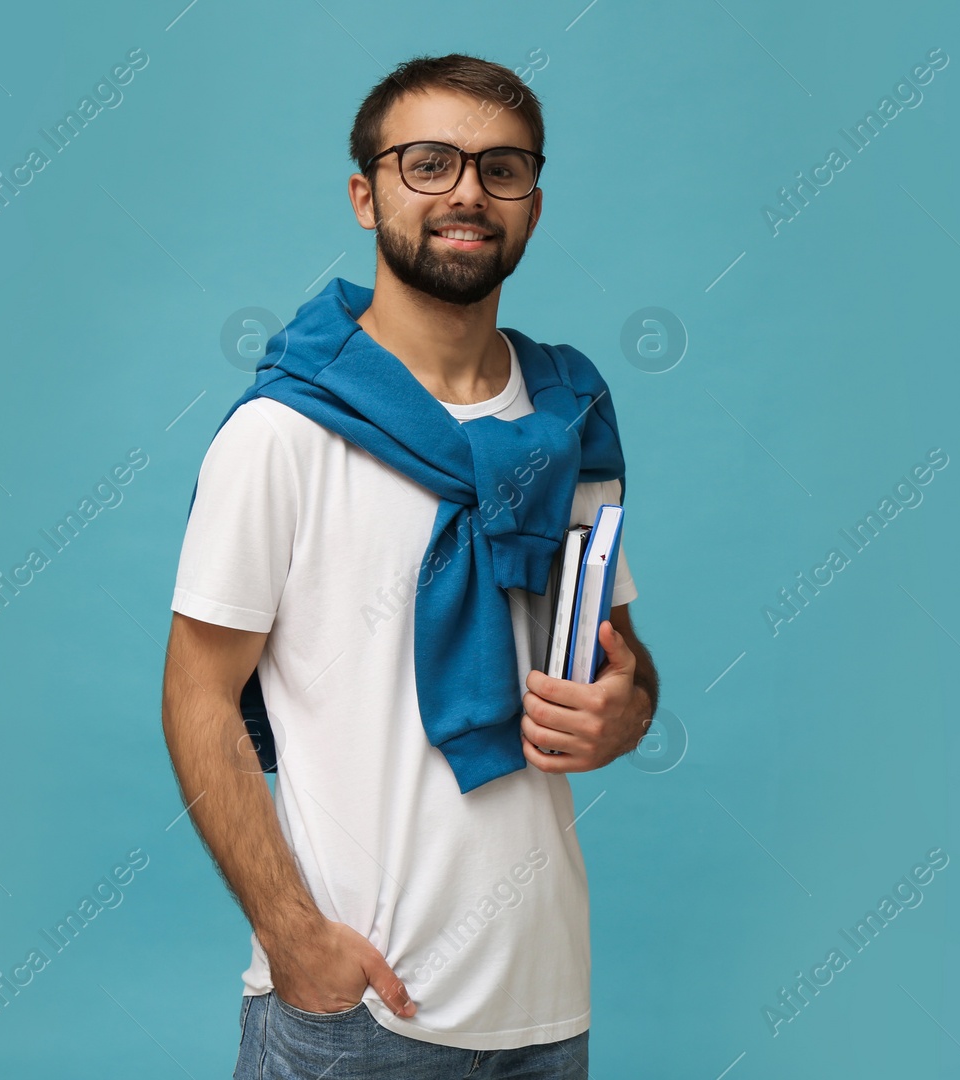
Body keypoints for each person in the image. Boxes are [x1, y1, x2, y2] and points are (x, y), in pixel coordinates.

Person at [160, 52, 660, 1079]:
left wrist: (630, 707)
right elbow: (196, 696)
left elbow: (620, 660)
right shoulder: (282, 434)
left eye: (502, 168)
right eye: (428, 163)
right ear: (365, 193)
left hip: (542, 1002)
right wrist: (294, 937)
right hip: (356, 1013)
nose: (468, 192)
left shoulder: (567, 422)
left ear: (531, 201)